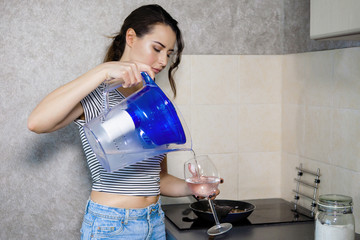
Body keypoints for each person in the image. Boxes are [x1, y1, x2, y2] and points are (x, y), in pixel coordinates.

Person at [28, 4, 221, 240]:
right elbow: (37, 122)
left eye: (169, 54)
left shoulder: (153, 101)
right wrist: (104, 70)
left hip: (155, 222)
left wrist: (192, 187)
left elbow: (156, 179)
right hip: (113, 225)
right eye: (157, 48)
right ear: (131, 37)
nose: (162, 61)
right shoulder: (99, 93)